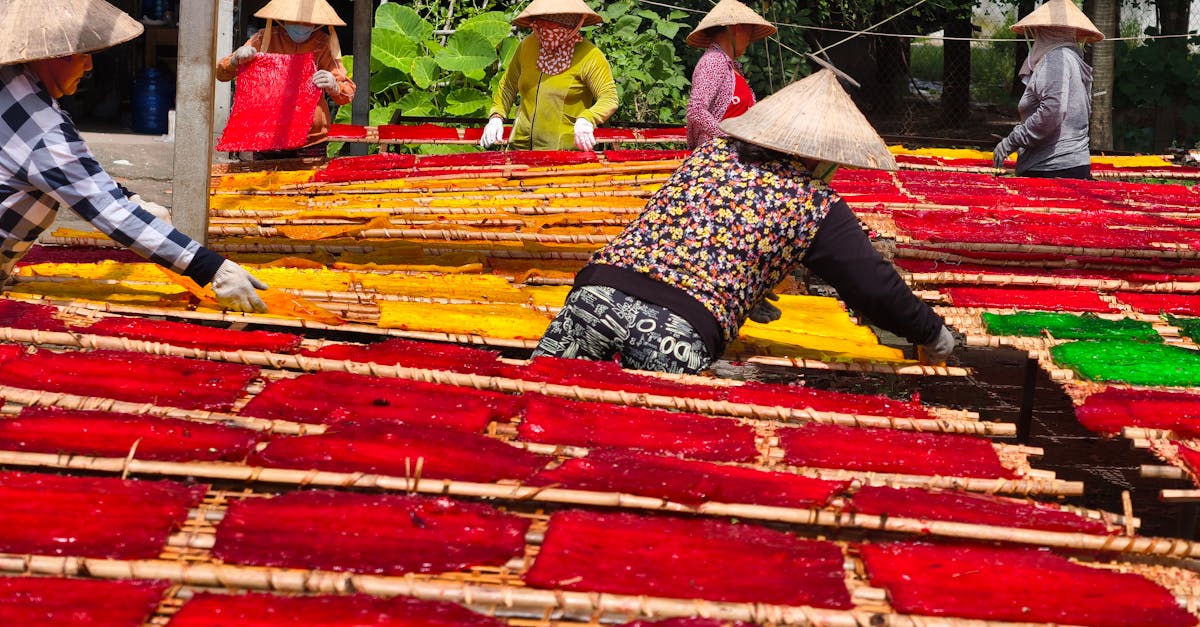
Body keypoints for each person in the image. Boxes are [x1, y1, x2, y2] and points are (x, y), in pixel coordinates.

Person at [533, 70, 955, 374]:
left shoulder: (711, 154)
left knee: (542, 419)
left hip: (593, 296)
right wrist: (932, 332)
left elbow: (688, 230)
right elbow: (872, 286)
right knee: (636, 457)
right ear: (818, 154)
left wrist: (743, 290)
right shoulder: (811, 201)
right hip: (672, 329)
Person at [0, 0, 268, 313]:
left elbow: (77, 174)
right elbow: (102, 205)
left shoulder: (12, 84)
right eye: (84, 54)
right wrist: (211, 269)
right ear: (55, 54)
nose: (89, 67)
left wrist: (132, 200)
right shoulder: (37, 123)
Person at [216, 0, 356, 160]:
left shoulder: (323, 44)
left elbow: (348, 93)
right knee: (266, 182)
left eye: (307, 22)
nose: (301, 26)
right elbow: (221, 73)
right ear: (282, 19)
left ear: (316, 23)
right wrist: (235, 60)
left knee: (308, 184)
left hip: (311, 139)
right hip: (267, 135)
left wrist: (334, 86)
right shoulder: (264, 39)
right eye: (295, 21)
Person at [479, 0, 618, 151]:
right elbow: (507, 86)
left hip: (566, 154)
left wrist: (587, 119)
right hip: (519, 149)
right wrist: (496, 118)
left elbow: (609, 97)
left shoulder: (590, 55)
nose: (545, 31)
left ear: (573, 24)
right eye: (541, 24)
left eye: (553, 26)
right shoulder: (527, 46)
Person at [992, 0, 1102, 179]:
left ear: (1043, 30)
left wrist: (1012, 141)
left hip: (1052, 167)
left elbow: (1052, 111)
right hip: (1067, 164)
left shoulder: (1056, 59)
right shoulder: (1070, 58)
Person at [685, 0, 776, 150]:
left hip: (736, 152)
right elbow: (696, 110)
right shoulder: (714, 60)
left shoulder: (734, 67)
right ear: (735, 28)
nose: (750, 39)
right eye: (749, 31)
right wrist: (729, 138)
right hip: (717, 154)